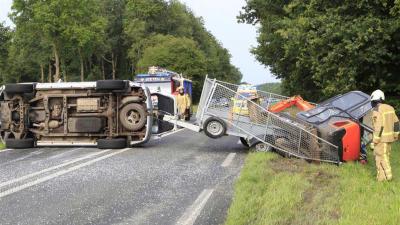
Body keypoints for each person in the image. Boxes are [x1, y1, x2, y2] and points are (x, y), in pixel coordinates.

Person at [370, 90, 399, 181]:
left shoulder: (377, 110)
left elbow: (379, 126)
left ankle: (386, 177)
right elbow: (397, 123)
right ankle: (383, 177)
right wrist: (395, 135)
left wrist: (375, 140)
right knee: (385, 156)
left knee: (380, 157)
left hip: (381, 139)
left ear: (374, 100)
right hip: (389, 138)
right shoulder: (390, 107)